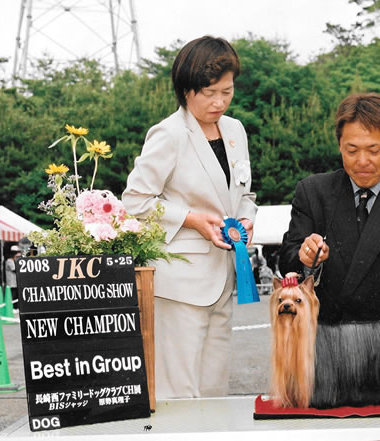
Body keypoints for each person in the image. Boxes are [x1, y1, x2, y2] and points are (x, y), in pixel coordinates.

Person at [278, 92, 380, 390]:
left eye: (373, 150)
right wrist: (303, 257)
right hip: (321, 359)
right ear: (339, 145)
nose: (362, 161)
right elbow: (287, 257)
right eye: (351, 150)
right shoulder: (312, 193)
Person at [122, 36, 257, 399]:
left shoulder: (235, 130)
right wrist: (192, 219)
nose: (219, 102)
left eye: (227, 92)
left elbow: (244, 195)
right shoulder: (169, 133)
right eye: (209, 93)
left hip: (224, 277)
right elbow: (134, 200)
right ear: (186, 90)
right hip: (179, 284)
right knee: (179, 393)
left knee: (215, 389)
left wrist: (246, 219)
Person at [4, 245, 21, 310]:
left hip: (15, 282)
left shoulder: (13, 260)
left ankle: (16, 307)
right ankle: (12, 308)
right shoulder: (9, 261)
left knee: (16, 295)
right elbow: (14, 269)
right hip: (12, 282)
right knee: (13, 295)